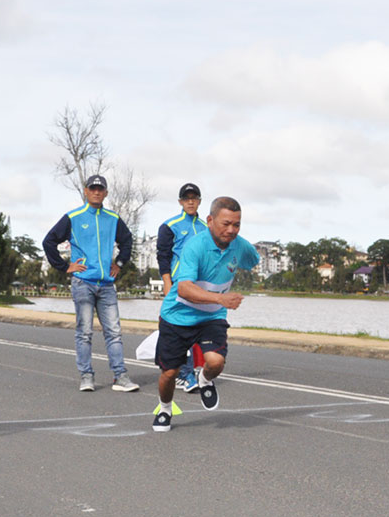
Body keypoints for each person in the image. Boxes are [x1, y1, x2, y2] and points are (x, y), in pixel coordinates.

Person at [152, 196, 259, 431]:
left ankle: (205, 379)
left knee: (216, 361)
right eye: (226, 224)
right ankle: (165, 408)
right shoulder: (195, 246)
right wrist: (221, 298)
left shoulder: (239, 245)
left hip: (211, 317)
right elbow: (184, 288)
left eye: (237, 224)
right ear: (210, 220)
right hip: (178, 316)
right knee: (170, 373)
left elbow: (253, 260)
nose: (231, 230)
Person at [42, 174, 139, 393]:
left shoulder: (113, 218)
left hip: (106, 285)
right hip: (83, 282)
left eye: (100, 189)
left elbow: (127, 240)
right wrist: (64, 266)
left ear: (105, 193)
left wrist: (120, 263)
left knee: (114, 331)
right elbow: (49, 241)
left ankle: (120, 376)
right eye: (92, 188)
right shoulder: (73, 217)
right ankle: (86, 376)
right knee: (84, 331)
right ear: (86, 191)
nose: (96, 192)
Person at [157, 182, 209, 392]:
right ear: (180, 202)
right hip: (178, 285)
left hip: (199, 286)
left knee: (197, 329)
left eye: (194, 198)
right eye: (186, 198)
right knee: (179, 329)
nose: (190, 202)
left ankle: (191, 371)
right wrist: (167, 282)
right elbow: (163, 256)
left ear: (199, 201)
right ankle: (184, 375)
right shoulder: (170, 225)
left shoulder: (206, 228)